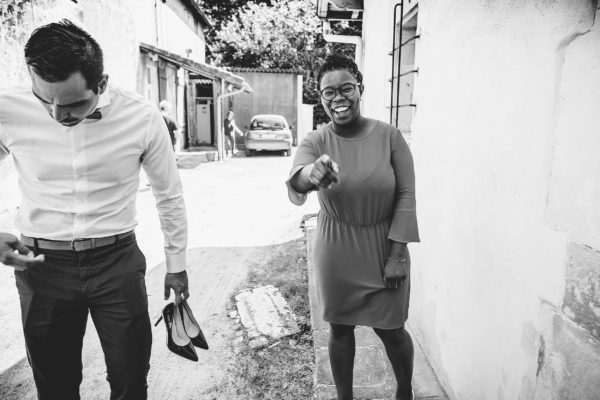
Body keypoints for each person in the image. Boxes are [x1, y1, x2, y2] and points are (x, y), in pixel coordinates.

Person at [0, 20, 189, 400]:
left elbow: (169, 194)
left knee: (131, 380)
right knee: (54, 387)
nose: (57, 115)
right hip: (42, 266)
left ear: (100, 84)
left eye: (72, 104)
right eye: (45, 100)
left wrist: (177, 264)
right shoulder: (6, 110)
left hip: (116, 264)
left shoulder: (143, 118)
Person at [287, 54, 420, 400]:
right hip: (337, 250)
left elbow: (406, 195)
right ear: (321, 97)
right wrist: (311, 174)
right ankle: (343, 396)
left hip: (384, 247)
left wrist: (397, 255)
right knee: (340, 329)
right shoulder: (315, 141)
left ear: (360, 88)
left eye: (346, 88)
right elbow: (298, 178)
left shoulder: (389, 136)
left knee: (392, 331)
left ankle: (404, 390)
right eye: (328, 92)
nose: (338, 98)